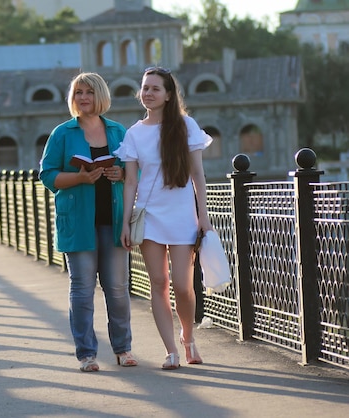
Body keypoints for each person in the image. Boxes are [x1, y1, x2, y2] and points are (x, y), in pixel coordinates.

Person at [115, 66, 213, 370]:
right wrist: (125, 223)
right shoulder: (134, 133)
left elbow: (198, 174)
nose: (148, 93)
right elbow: (130, 181)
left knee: (184, 286)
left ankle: (187, 338)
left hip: (182, 215)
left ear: (168, 95)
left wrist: (204, 217)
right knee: (158, 282)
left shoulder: (185, 126)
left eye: (155, 88)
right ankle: (170, 350)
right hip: (149, 215)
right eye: (145, 88)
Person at [39, 72, 137, 372]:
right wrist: (80, 177)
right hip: (78, 222)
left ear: (101, 96)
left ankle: (123, 348)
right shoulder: (62, 133)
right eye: (78, 92)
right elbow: (47, 174)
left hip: (114, 220)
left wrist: (121, 174)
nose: (83, 97)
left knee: (118, 288)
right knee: (82, 289)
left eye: (89, 92)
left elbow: (137, 172)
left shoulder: (119, 132)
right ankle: (87, 354)